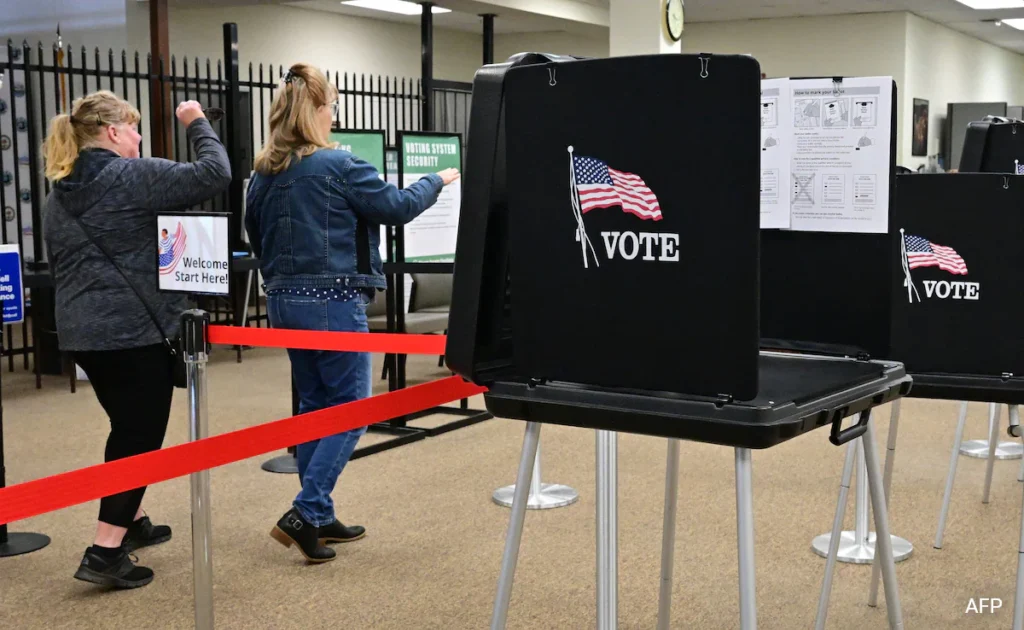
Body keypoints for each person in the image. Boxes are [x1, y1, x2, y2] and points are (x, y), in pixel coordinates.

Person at [245, 64, 459, 564]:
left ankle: (319, 517)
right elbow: (397, 207)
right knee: (352, 407)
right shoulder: (339, 164)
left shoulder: (263, 174)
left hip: (283, 302)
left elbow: (257, 237)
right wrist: (437, 180)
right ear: (318, 111)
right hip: (333, 302)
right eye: (333, 107)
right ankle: (307, 509)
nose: (335, 116)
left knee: (315, 405)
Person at [42, 90, 231, 588]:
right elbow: (216, 173)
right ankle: (105, 552)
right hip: (133, 333)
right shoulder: (132, 175)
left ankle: (133, 519)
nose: (140, 137)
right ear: (112, 132)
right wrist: (195, 120)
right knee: (139, 436)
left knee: (125, 423)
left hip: (82, 332)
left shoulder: (58, 192)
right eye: (134, 127)